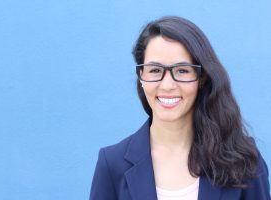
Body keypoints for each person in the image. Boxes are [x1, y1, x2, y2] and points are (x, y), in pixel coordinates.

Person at [89, 16, 271, 200]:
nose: (167, 85)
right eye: (155, 70)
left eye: (182, 70)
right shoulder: (112, 164)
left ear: (202, 78)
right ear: (141, 77)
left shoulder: (244, 160)